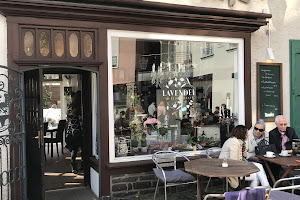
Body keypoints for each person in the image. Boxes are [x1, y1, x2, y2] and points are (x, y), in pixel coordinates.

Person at [269, 115, 298, 180]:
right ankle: (278, 182)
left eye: (285, 124)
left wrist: (290, 151)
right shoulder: (272, 133)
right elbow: (273, 148)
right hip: (279, 156)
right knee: (273, 166)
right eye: (281, 124)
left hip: (291, 155)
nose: (283, 126)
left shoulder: (291, 131)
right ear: (276, 124)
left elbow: (297, 144)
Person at [66, 91, 84, 174]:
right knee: (82, 149)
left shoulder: (70, 107)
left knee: (74, 150)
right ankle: (83, 164)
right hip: (80, 131)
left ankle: (74, 166)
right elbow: (81, 120)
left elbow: (68, 119)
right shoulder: (81, 107)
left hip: (72, 131)